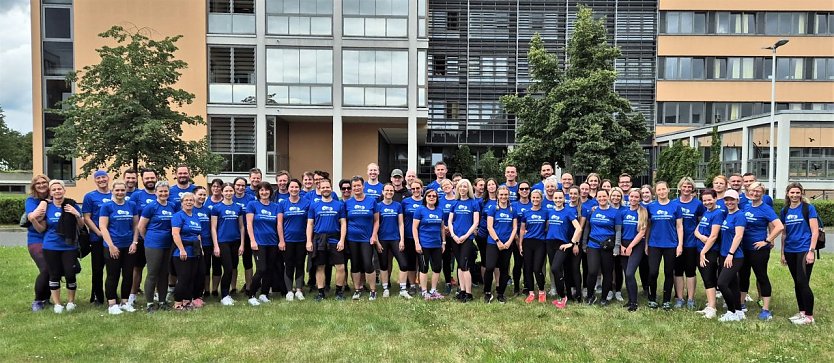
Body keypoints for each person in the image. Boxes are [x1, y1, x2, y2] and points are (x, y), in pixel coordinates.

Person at [32, 180, 83, 314]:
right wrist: (33, 220)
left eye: (59, 189)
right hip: (50, 246)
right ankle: (58, 304)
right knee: (54, 275)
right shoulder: (47, 207)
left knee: (70, 273)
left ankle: (71, 302)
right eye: (54, 190)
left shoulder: (71, 204)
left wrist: (76, 214)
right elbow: (41, 228)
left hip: (69, 246)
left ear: (64, 190)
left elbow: (81, 225)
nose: (57, 191)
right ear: (50, 192)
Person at [739, 182, 784, 320]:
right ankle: (741, 304)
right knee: (743, 276)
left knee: (761, 276)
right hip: (744, 248)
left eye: (758, 191)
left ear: (762, 193)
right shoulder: (746, 206)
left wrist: (767, 240)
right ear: (748, 192)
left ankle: (765, 309)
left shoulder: (766, 208)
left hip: (758, 250)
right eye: (752, 191)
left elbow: (779, 226)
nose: (754, 193)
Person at [779, 182, 819, 325]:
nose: (795, 195)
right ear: (787, 194)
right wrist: (782, 253)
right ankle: (802, 312)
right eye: (792, 192)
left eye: (797, 192)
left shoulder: (808, 208)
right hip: (790, 250)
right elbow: (784, 234)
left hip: (804, 249)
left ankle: (809, 317)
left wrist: (811, 251)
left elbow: (814, 231)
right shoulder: (785, 210)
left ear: (802, 193)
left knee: (803, 282)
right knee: (797, 283)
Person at [99, 181, 139, 315]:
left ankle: (125, 302)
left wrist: (134, 242)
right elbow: (103, 227)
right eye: (117, 190)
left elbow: (135, 226)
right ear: (113, 191)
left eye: (123, 190)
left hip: (128, 246)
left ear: (126, 191)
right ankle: (112, 303)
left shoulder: (132, 205)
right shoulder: (107, 206)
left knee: (128, 275)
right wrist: (111, 245)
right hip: (112, 246)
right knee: (113, 275)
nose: (120, 193)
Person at [137, 181, 176, 312]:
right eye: (161, 191)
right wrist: (148, 239)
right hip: (153, 244)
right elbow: (141, 227)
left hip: (168, 244)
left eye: (165, 191)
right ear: (156, 192)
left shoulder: (172, 206)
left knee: (164, 273)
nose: (163, 193)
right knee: (153, 273)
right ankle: (149, 303)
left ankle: (162, 301)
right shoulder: (151, 207)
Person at [306, 179, 347, 301]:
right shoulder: (314, 205)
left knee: (340, 267)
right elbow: (310, 224)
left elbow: (343, 223)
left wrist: (342, 240)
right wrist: (309, 240)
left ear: (331, 188)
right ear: (319, 188)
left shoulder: (339, 204)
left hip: (335, 239)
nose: (325, 189)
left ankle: (339, 292)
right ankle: (320, 292)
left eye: (327, 187)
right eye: (323, 187)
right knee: (320, 266)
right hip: (319, 239)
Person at [645, 181, 683, 310]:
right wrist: (646, 244)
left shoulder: (675, 206)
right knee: (653, 272)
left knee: (668, 272)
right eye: (659, 190)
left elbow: (679, 226)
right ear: (655, 192)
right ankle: (652, 298)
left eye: (663, 189)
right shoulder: (651, 206)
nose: (661, 192)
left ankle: (666, 300)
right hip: (654, 244)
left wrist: (680, 245)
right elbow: (648, 227)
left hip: (671, 244)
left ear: (668, 190)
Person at [582, 189, 622, 306]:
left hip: (608, 246)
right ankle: (590, 296)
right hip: (593, 245)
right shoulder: (592, 211)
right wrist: (584, 243)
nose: (602, 198)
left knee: (607, 273)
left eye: (604, 196)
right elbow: (587, 228)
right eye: (599, 196)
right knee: (592, 271)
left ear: (608, 197)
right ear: (596, 198)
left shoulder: (615, 212)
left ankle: (604, 298)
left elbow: (618, 231)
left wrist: (617, 246)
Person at [246, 181, 282, 306]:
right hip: (259, 243)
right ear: (258, 192)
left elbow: (279, 225)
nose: (264, 192)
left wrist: (280, 241)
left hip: (272, 243)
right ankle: (251, 295)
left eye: (267, 190)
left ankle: (264, 294)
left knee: (270, 269)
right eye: (261, 190)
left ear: (270, 192)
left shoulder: (276, 206)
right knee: (261, 269)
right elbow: (249, 224)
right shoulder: (252, 205)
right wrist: (252, 240)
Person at [546, 190, 582, 308]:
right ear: (553, 199)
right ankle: (562, 297)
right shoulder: (550, 211)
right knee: (555, 270)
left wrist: (571, 243)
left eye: (560, 198)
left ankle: (564, 295)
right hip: (550, 243)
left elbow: (579, 228)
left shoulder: (568, 212)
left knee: (556, 268)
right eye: (556, 198)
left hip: (562, 244)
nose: (558, 200)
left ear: (564, 198)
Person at [345, 176, 379, 300]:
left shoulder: (371, 201)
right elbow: (344, 221)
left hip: (366, 238)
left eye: (359, 185)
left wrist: (374, 235)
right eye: (354, 186)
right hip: (352, 238)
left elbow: (376, 221)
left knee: (368, 264)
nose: (357, 188)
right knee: (355, 265)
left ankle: (373, 290)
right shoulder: (348, 203)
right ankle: (357, 289)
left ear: (363, 186)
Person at [211, 183, 245, 306]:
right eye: (226, 191)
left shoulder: (238, 207)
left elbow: (241, 227)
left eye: (231, 191)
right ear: (222, 192)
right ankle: (224, 295)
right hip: (222, 242)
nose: (229, 193)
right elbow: (213, 228)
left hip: (235, 242)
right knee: (228, 268)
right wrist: (216, 245)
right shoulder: (217, 208)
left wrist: (242, 244)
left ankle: (228, 294)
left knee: (233, 267)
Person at [82, 169, 112, 305]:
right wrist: (98, 232)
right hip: (97, 238)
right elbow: (87, 218)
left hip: (113, 239)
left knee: (112, 269)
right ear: (95, 181)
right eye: (98, 178)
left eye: (103, 177)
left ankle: (111, 294)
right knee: (97, 269)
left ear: (108, 178)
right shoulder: (90, 197)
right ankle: (97, 296)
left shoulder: (115, 194)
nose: (101, 180)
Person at [674, 177, 705, 309]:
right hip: (676, 243)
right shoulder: (674, 203)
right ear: (680, 188)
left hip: (692, 243)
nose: (686, 189)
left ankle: (691, 298)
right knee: (678, 271)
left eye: (689, 187)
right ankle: (679, 298)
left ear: (692, 188)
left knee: (691, 271)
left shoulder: (698, 204)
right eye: (684, 186)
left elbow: (702, 223)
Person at [374, 184, 409, 298]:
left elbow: (401, 223)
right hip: (382, 239)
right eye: (387, 190)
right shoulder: (378, 206)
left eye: (391, 190)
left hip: (395, 239)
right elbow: (375, 224)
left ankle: (403, 289)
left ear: (393, 192)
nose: (389, 192)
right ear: (382, 192)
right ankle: (385, 288)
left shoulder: (398, 205)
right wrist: (377, 241)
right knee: (383, 265)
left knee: (403, 264)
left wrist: (402, 240)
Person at [128, 168, 157, 305]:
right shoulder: (137, 196)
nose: (150, 180)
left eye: (152, 177)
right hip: (140, 239)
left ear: (156, 178)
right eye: (147, 178)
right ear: (142, 179)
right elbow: (133, 219)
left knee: (157, 268)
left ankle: (157, 293)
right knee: (137, 268)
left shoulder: (162, 194)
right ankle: (132, 295)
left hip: (158, 240)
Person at [278, 179, 311, 301]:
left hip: (302, 239)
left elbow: (309, 223)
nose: (294, 189)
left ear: (300, 188)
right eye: (291, 187)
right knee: (289, 265)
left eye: (296, 187)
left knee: (300, 264)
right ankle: (289, 291)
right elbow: (279, 224)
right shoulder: (283, 204)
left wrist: (309, 240)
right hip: (287, 240)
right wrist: (281, 240)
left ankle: (298, 290)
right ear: (288, 189)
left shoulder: (306, 203)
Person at [447, 179, 479, 302]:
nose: (462, 189)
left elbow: (475, 222)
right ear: (458, 189)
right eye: (460, 187)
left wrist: (466, 236)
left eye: (465, 187)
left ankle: (469, 294)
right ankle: (462, 290)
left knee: (465, 265)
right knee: (460, 266)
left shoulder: (473, 203)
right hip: (455, 238)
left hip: (467, 238)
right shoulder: (454, 203)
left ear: (469, 189)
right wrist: (454, 235)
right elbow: (450, 221)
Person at [484, 186, 517, 303]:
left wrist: (509, 242)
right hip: (493, 243)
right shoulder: (493, 209)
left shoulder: (512, 210)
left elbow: (514, 228)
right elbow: (489, 226)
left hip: (507, 245)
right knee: (490, 267)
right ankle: (487, 292)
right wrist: (498, 241)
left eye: (505, 195)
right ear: (497, 195)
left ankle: (501, 293)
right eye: (501, 195)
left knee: (504, 269)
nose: (503, 197)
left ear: (509, 196)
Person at [693, 188, 723, 319]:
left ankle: (712, 308)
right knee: (706, 278)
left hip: (709, 251)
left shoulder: (718, 213)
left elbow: (714, 235)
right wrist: (700, 237)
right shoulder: (706, 212)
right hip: (701, 249)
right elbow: (696, 230)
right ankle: (710, 304)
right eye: (704, 200)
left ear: (715, 198)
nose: (707, 202)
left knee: (708, 277)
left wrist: (703, 252)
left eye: (709, 199)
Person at [717, 189, 746, 322]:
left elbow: (738, 235)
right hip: (724, 254)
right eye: (727, 200)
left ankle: (731, 311)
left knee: (722, 283)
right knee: (734, 284)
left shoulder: (739, 215)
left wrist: (730, 253)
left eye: (732, 200)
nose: (729, 202)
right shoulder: (727, 215)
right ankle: (739, 311)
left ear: (737, 201)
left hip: (734, 256)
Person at [170, 192, 203, 311]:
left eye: (191, 200)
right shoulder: (178, 216)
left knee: (191, 277)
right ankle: (178, 303)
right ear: (182, 202)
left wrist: (201, 249)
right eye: (186, 200)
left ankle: (187, 301)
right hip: (182, 251)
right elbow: (175, 233)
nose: (189, 202)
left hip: (194, 251)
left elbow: (198, 234)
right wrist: (182, 249)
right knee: (183, 278)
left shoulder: (195, 216)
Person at [413, 188, 445, 300]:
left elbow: (442, 228)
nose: (431, 198)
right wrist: (417, 243)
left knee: (437, 268)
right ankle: (424, 291)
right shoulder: (420, 210)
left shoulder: (440, 210)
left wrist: (443, 243)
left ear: (436, 198)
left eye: (434, 196)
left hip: (436, 244)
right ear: (425, 197)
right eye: (429, 196)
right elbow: (414, 228)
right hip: (424, 244)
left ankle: (433, 290)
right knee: (424, 268)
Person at [24, 174, 50, 311]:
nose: (41, 185)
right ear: (34, 186)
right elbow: (33, 216)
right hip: (36, 239)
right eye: (38, 183)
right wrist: (45, 202)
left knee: (52, 270)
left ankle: (47, 298)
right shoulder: (31, 200)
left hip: (52, 239)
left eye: (44, 182)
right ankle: (38, 301)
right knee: (45, 269)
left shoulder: (55, 198)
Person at [519, 189, 548, 303]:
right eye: (533, 198)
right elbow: (522, 229)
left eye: (537, 198)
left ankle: (541, 291)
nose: (535, 200)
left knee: (537, 268)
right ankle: (531, 292)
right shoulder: (526, 213)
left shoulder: (545, 212)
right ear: (531, 199)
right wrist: (520, 244)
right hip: (528, 242)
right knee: (528, 269)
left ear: (541, 199)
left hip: (540, 243)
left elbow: (548, 227)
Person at [621, 189, 648, 312]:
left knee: (630, 273)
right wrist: (621, 245)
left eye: (636, 197)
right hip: (623, 244)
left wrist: (631, 246)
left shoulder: (643, 212)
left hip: (636, 245)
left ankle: (634, 303)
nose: (633, 199)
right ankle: (630, 300)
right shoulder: (623, 211)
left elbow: (642, 231)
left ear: (640, 199)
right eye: (631, 196)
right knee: (626, 273)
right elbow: (618, 229)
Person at [232, 177, 255, 295]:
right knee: (233, 263)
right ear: (234, 186)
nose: (240, 188)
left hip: (247, 234)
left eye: (243, 185)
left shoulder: (251, 199)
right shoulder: (230, 196)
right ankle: (233, 288)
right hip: (233, 235)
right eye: (238, 185)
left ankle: (248, 287)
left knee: (247, 261)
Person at [401, 180, 425, 295]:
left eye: (417, 188)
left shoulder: (425, 201)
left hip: (424, 236)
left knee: (422, 262)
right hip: (409, 236)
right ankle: (412, 285)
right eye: (413, 189)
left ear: (421, 188)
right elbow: (401, 219)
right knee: (411, 262)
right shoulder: (405, 202)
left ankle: (422, 284)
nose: (415, 190)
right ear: (410, 190)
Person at [192, 186, 213, 307]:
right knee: (194, 270)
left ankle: (200, 294)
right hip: (194, 244)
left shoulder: (207, 210)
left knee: (204, 270)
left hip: (207, 243)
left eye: (204, 195)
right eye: (200, 194)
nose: (202, 197)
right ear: (194, 195)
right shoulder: (190, 209)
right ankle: (192, 294)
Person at [511, 181, 532, 294]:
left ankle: (527, 286)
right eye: (522, 189)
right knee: (518, 263)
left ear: (529, 190)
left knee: (527, 264)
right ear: (518, 191)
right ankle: (516, 287)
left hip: (529, 239)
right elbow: (511, 224)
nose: (524, 191)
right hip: (516, 238)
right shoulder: (514, 205)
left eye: (526, 188)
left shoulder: (533, 203)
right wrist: (517, 238)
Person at [439, 179, 457, 293]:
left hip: (456, 233)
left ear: (452, 185)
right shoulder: (440, 201)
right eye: (443, 185)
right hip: (444, 233)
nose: (446, 186)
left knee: (460, 258)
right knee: (446, 259)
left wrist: (451, 228)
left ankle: (461, 283)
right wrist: (445, 228)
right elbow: (438, 215)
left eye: (448, 184)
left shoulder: (458, 199)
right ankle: (447, 282)